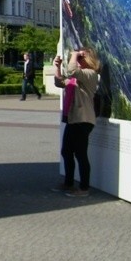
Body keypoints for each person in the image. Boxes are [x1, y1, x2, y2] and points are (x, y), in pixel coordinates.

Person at [53, 47, 101, 197]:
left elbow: (73, 70)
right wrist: (57, 67)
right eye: (78, 58)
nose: (78, 61)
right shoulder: (78, 78)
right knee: (66, 151)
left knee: (80, 154)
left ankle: (84, 188)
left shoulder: (91, 74)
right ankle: (68, 183)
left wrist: (74, 55)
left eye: (81, 58)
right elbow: (60, 82)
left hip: (83, 119)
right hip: (74, 119)